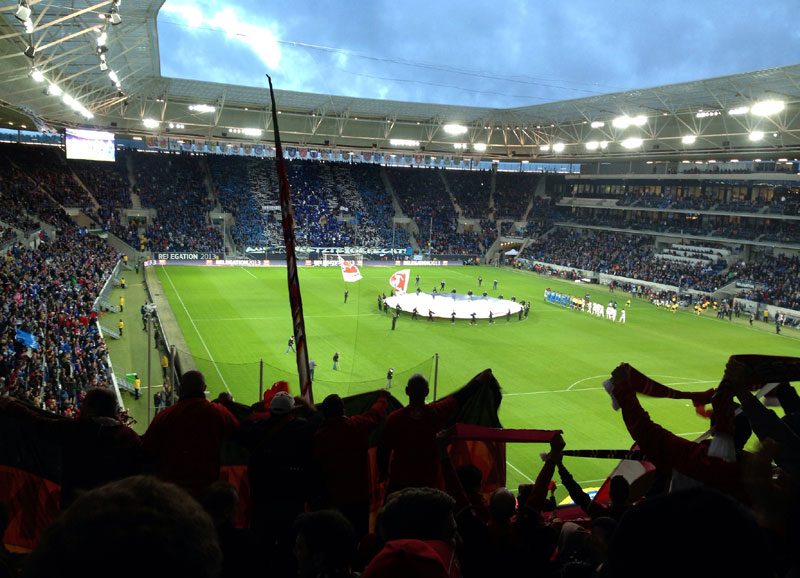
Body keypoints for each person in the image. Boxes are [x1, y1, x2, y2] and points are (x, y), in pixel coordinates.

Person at [0, 387, 142, 509]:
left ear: (92, 408)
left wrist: (13, 406)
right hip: (114, 508)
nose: (81, 407)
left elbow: (38, 424)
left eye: (84, 404)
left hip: (75, 506)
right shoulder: (130, 437)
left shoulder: (75, 430)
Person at [378, 371, 492, 494]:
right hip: (428, 486)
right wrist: (481, 379)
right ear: (427, 392)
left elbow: (383, 450)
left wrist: (384, 474)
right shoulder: (437, 412)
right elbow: (462, 396)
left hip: (399, 485)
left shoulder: (394, 418)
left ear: (407, 391)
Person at [142, 370, 239, 498]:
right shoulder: (218, 412)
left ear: (181, 389)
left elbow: (146, 448)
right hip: (208, 489)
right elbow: (237, 432)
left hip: (172, 491)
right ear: (204, 388)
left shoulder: (165, 416)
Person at [314, 392, 390, 538]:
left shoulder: (320, 436)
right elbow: (375, 414)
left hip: (333, 498)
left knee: (336, 538)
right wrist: (383, 398)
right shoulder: (358, 425)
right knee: (360, 535)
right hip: (359, 495)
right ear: (343, 410)